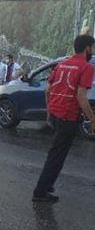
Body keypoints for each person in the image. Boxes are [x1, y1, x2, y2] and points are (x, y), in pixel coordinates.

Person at [32, 34, 95, 203]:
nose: (92, 51)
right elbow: (82, 97)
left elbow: (48, 90)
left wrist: (48, 113)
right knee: (57, 155)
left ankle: (47, 184)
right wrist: (93, 119)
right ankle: (40, 191)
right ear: (88, 48)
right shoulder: (86, 67)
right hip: (68, 116)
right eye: (92, 48)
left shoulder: (62, 64)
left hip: (56, 114)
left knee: (57, 153)